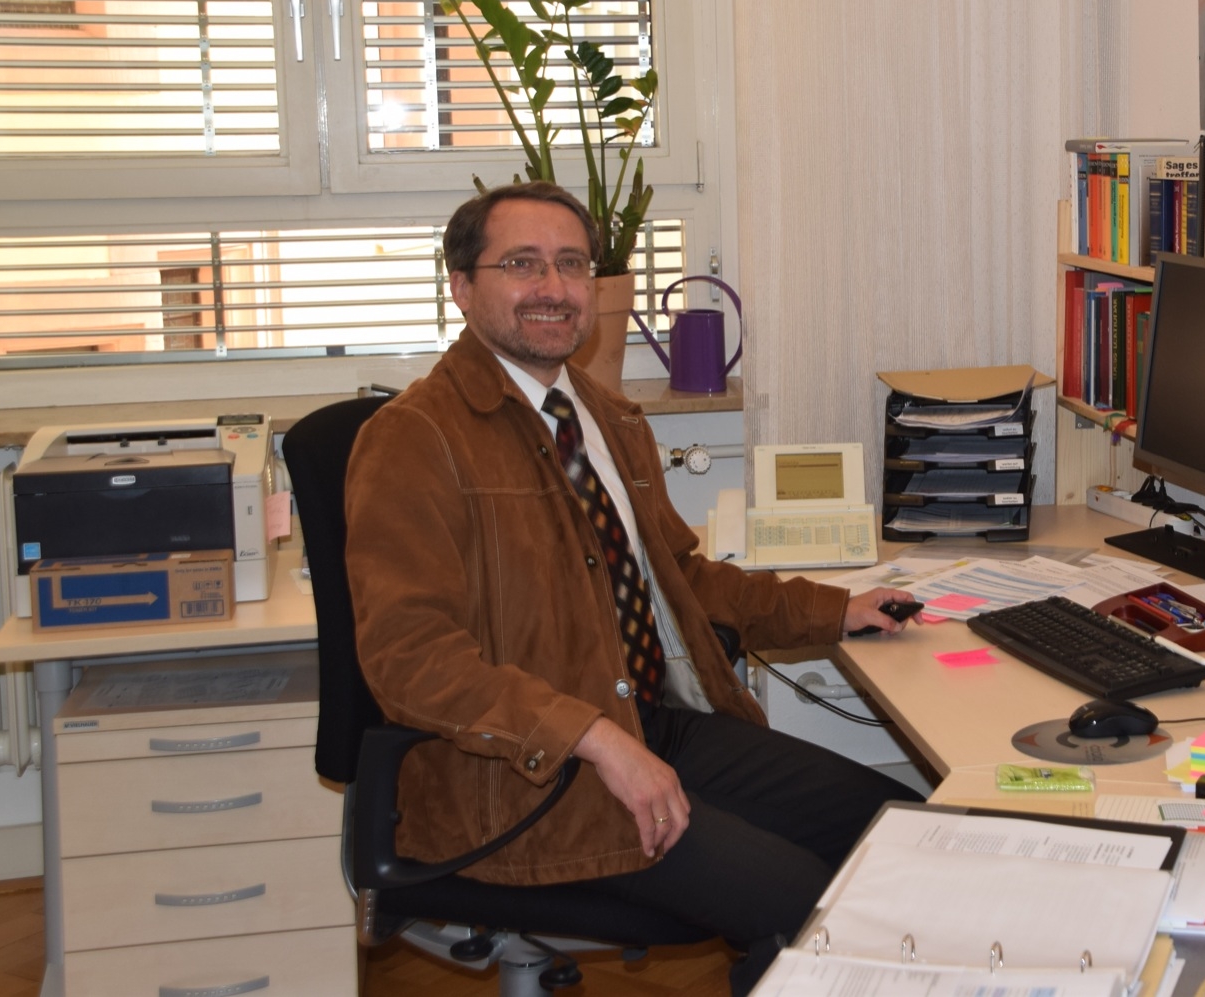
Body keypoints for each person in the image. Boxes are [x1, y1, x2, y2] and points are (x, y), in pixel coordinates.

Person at [344, 181, 921, 995]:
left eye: (572, 263)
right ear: (462, 286)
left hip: (648, 724)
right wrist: (596, 737)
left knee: (896, 831)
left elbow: (679, 579)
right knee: (803, 906)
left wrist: (834, 608)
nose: (553, 286)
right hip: (523, 776)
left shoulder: (604, 417)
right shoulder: (412, 438)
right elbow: (411, 659)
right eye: (522, 264)